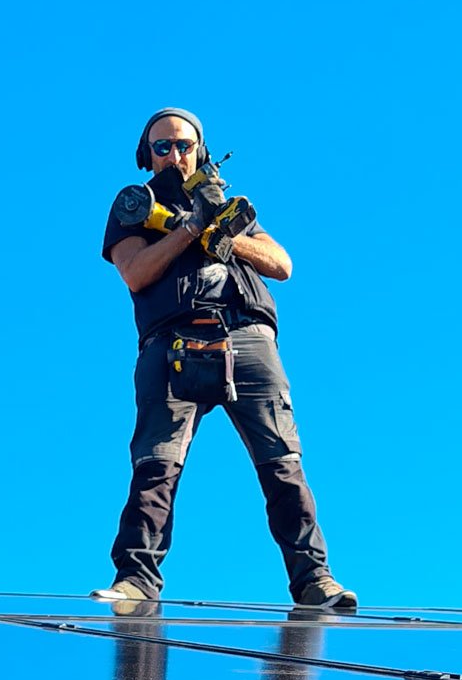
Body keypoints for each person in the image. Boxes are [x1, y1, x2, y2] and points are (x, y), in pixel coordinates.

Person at [93, 107, 356, 610]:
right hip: (172, 344)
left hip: (247, 339)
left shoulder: (229, 205)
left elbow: (282, 264)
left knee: (283, 465)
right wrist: (190, 228)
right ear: (146, 156)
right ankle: (135, 582)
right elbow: (135, 272)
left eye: (184, 145)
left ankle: (315, 581)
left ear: (202, 151)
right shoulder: (133, 205)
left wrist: (225, 235)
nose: (175, 154)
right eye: (163, 146)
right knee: (156, 466)